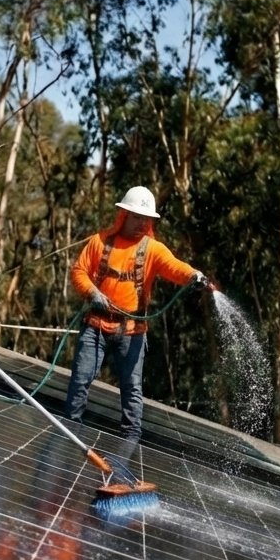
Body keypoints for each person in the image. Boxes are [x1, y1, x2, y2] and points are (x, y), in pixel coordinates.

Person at [65, 186, 209, 441]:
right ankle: (70, 431)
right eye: (136, 217)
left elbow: (175, 267)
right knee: (81, 378)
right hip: (96, 324)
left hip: (132, 331)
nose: (141, 223)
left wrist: (193, 275)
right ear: (123, 215)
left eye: (146, 218)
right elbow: (79, 271)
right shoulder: (100, 241)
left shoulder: (152, 249)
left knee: (131, 389)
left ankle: (131, 441)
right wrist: (92, 293)